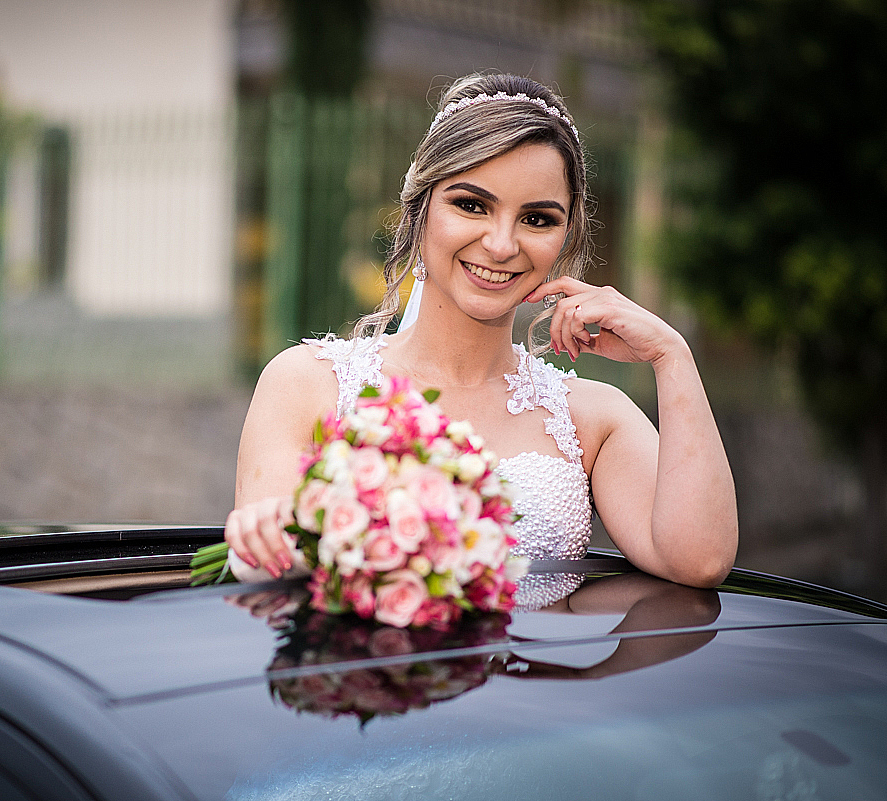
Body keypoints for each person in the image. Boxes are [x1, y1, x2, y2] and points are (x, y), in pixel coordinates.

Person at [225, 73, 737, 598]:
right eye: (471, 205)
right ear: (420, 210)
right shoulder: (304, 385)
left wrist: (671, 356)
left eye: (537, 218)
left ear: (565, 236)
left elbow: (699, 562)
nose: (501, 244)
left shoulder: (594, 418)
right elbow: (269, 577)